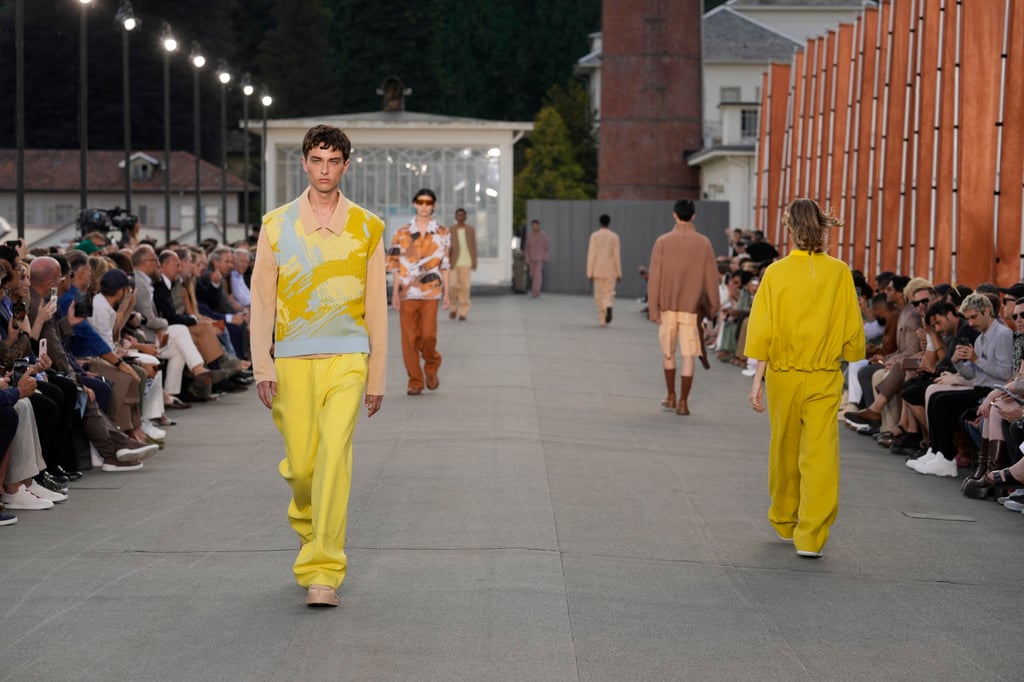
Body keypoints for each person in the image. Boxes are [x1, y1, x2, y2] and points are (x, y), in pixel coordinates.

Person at [251, 124, 387, 608]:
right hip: (290, 359)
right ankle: (310, 525)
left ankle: (323, 570)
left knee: (333, 458)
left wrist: (377, 375)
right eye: (317, 160)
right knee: (304, 466)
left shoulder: (369, 227)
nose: (325, 170)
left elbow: (376, 305)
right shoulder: (275, 225)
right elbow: (262, 304)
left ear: (346, 165)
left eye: (335, 161)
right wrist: (262, 366)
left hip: (348, 356)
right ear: (305, 164)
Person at [746, 198, 864, 559]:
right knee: (820, 453)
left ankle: (785, 518)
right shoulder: (839, 272)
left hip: (782, 374)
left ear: (790, 227)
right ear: (822, 227)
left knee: (784, 447)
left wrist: (756, 380)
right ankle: (811, 534)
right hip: (825, 375)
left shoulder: (776, 273)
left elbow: (763, 329)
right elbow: (852, 331)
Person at [646, 199, 720, 415]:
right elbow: (711, 278)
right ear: (693, 216)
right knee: (689, 355)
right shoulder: (704, 243)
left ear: (674, 215)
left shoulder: (662, 242)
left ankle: (670, 396)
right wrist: (712, 307)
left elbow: (655, 277)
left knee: (668, 353)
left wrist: (654, 309)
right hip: (691, 308)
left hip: (667, 307)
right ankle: (684, 403)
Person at [386, 188, 450, 395]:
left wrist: (447, 293)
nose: (424, 206)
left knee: (428, 336)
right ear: (415, 204)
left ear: (434, 205)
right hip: (407, 293)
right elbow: (395, 265)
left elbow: (445, 265)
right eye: (420, 202)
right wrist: (394, 293)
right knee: (409, 339)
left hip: (431, 292)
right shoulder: (401, 232)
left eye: (428, 202)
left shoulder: (442, 232)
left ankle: (432, 364)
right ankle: (415, 380)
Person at [586, 214, 622, 326]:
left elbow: (592, 255)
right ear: (609, 223)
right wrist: (619, 272)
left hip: (597, 269)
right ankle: (608, 306)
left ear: (600, 222)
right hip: (610, 269)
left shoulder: (594, 236)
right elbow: (616, 255)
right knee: (609, 292)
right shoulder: (614, 237)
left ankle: (602, 320)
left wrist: (589, 272)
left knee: (599, 295)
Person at [447, 208, 477, 321]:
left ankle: (463, 312)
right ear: (455, 217)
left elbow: (473, 246)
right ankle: (453, 307)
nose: (460, 217)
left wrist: (474, 261)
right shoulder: (450, 230)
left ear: (465, 217)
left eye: (462, 215)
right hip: (454, 261)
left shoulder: (470, 229)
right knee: (452, 286)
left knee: (465, 287)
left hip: (466, 262)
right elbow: (447, 246)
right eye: (458, 215)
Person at [524, 220, 550, 297]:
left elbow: (547, 247)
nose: (535, 227)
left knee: (538, 275)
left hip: (540, 258)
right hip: (532, 258)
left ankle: (536, 291)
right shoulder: (529, 236)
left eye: (536, 225)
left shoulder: (543, 236)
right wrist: (527, 258)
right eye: (533, 225)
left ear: (539, 226)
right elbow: (526, 248)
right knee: (532, 275)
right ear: (532, 226)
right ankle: (535, 289)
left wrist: (545, 257)